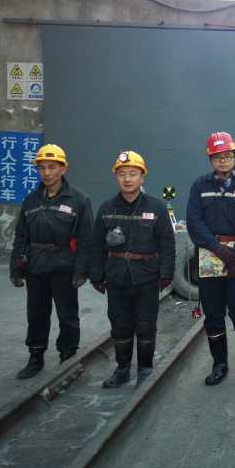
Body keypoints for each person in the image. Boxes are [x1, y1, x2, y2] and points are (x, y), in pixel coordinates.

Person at [91, 151, 175, 388]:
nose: (127, 179)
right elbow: (96, 245)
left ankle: (146, 369)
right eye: (122, 174)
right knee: (120, 325)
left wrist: (166, 273)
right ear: (116, 177)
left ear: (142, 176)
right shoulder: (107, 208)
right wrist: (96, 275)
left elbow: (167, 243)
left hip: (147, 277)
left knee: (146, 324)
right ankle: (122, 369)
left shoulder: (156, 208)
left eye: (133, 173)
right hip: (116, 277)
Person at [186, 132, 235, 386]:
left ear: (234, 156)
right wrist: (217, 248)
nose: (223, 160)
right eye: (218, 156)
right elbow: (194, 221)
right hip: (210, 256)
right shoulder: (200, 187)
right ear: (210, 159)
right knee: (213, 313)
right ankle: (219, 365)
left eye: (228, 155)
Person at [10, 144, 93, 379]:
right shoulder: (31, 200)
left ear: (63, 168)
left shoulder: (79, 199)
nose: (47, 173)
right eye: (42, 168)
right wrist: (15, 268)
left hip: (64, 266)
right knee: (36, 314)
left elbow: (86, 238)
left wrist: (81, 270)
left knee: (67, 315)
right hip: (36, 266)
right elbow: (21, 236)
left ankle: (68, 356)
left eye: (52, 167)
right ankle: (35, 356)